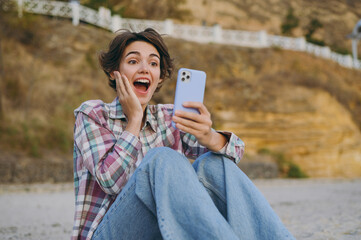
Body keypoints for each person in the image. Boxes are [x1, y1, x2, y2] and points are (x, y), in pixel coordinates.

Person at [72, 28, 295, 240]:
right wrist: (134, 120)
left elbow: (237, 152)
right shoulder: (93, 114)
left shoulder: (170, 117)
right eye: (133, 61)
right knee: (162, 158)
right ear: (115, 73)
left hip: (164, 232)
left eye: (153, 63)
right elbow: (109, 181)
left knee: (214, 164)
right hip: (111, 233)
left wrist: (209, 136)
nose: (144, 69)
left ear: (159, 77)